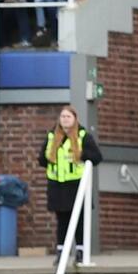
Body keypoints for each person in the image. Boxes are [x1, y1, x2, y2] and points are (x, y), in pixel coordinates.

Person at [41, 105, 101, 255]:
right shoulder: (52, 136)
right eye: (63, 117)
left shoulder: (83, 136)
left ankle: (80, 251)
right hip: (57, 185)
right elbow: (42, 158)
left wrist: (81, 155)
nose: (65, 120)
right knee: (62, 220)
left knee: (79, 220)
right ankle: (61, 251)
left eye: (68, 117)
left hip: (77, 185)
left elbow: (96, 157)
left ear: (74, 119)